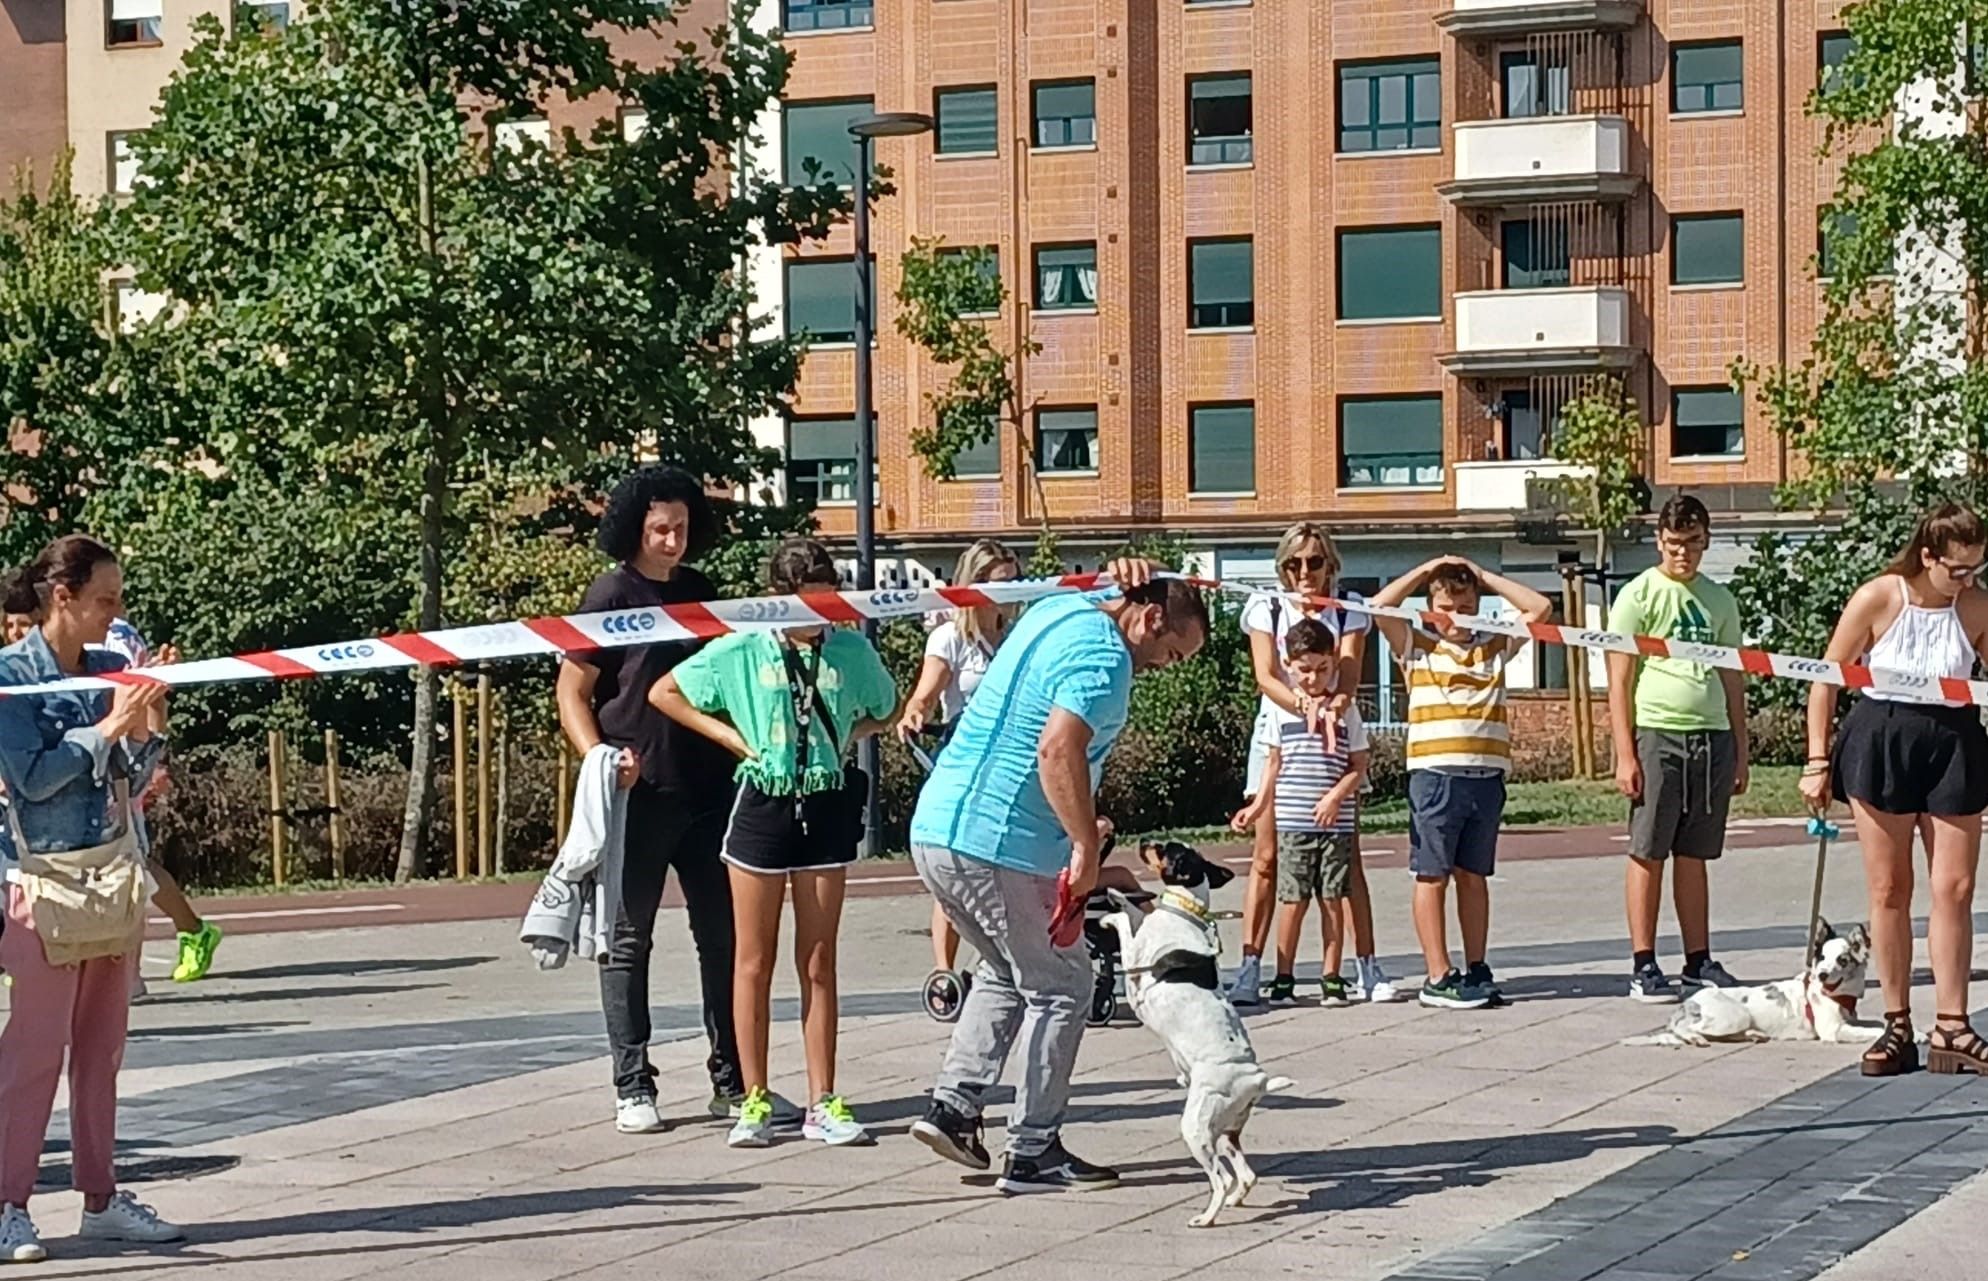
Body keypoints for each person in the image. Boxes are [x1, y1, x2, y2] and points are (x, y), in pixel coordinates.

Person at [907, 559, 1207, 1194]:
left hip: (937, 827)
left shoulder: (1057, 610)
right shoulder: (1107, 661)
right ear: (1151, 619)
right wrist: (1083, 845)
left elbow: (1107, 586)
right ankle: (1033, 1150)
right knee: (1064, 985)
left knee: (1004, 970)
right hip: (999, 843)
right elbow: (1055, 750)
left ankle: (954, 1109)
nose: (1166, 666)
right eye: (1173, 652)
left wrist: (1119, 566)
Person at [649, 537, 900, 1148]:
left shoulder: (849, 648)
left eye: (828, 604)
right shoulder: (740, 648)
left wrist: (847, 734)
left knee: (818, 961)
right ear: (777, 601)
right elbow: (666, 693)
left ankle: (824, 1100)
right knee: (751, 960)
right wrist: (734, 739)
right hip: (762, 803)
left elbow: (889, 710)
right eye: (807, 608)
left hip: (824, 801)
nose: (820, 620)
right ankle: (754, 1097)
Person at [555, 465, 764, 1136]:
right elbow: (571, 692)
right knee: (626, 938)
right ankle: (632, 1082)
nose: (672, 541)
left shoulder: (700, 593)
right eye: (659, 530)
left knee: (724, 937)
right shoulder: (609, 593)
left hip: (709, 791)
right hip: (637, 795)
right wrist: (598, 755)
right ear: (633, 529)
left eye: (680, 528)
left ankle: (731, 1080)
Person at [0, 536, 183, 1263]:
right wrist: (110, 723)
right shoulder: (11, 677)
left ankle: (101, 1197)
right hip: (38, 881)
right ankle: (9, 1203)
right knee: (34, 1050)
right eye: (105, 599)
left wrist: (152, 717)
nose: (117, 613)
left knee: (103, 1049)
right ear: (61, 597)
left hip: (110, 875)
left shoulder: (113, 668)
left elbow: (134, 773)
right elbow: (35, 775)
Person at [1802, 503, 1988, 1076]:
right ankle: (1897, 1021)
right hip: (1883, 738)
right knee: (1889, 888)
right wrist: (1816, 760)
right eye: (1956, 569)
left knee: (1954, 888)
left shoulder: (1977, 604)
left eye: (1976, 568)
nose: (1967, 580)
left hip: (1954, 740)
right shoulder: (1881, 597)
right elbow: (1826, 679)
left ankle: (1952, 1025)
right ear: (1928, 556)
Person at [1369, 555, 1554, 1010]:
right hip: (1436, 774)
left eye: (1466, 605)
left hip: (1486, 775)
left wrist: (1484, 575)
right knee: (1432, 873)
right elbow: (1377, 608)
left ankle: (1476, 965)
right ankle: (1438, 974)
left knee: (1474, 875)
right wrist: (1426, 568)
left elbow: (1540, 608)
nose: (1456, 617)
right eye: (1446, 606)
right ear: (1431, 606)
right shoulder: (1418, 645)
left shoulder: (1494, 644)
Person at [1230, 523, 1397, 1006]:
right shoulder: (1266, 606)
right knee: (1267, 859)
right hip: (1280, 737)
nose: (1305, 571)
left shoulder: (1349, 609)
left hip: (1332, 736)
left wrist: (1333, 706)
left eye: (1315, 561)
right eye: (1294, 563)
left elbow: (1347, 669)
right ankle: (1250, 967)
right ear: (1282, 567)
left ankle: (1365, 965)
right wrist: (1302, 703)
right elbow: (1265, 674)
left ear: (1331, 564)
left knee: (1347, 860)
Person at [1606, 494, 1749, 1003]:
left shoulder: (1720, 600)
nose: (1681, 554)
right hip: (1657, 730)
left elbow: (1732, 676)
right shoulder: (1638, 596)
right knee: (1649, 848)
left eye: (1690, 543)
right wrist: (1625, 752)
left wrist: (1741, 744)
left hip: (1710, 733)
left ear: (1705, 541)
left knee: (1696, 851)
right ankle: (1643, 962)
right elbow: (1618, 679)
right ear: (1658, 542)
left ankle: (1698, 959)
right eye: (1672, 544)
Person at [895, 539, 1022, 977]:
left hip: (1011, 755)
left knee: (1012, 863)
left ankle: (1010, 955)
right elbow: (926, 695)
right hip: (964, 756)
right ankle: (945, 969)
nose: (1010, 592)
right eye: (1000, 584)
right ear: (976, 585)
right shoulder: (950, 637)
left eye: (1015, 583)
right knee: (955, 864)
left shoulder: (1016, 638)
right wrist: (915, 714)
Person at [1229, 619, 1368, 1004]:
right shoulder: (1280, 711)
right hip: (1292, 822)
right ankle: (1284, 975)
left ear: (1333, 667)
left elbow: (1359, 765)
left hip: (1334, 823)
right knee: (1293, 898)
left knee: (1332, 898)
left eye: (1323, 669)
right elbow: (1272, 765)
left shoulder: (1346, 712)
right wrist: (1257, 807)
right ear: (1288, 666)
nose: (1313, 678)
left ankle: (1332, 975)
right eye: (1304, 670)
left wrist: (1336, 797)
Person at [92, 616, 224, 990]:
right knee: (122, 864)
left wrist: (153, 759)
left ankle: (189, 934)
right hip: (86, 763)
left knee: (131, 866)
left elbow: (153, 698)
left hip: (120, 768)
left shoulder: (118, 638)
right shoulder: (49, 638)